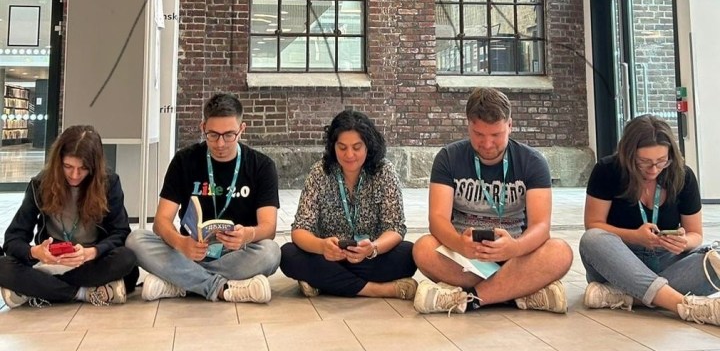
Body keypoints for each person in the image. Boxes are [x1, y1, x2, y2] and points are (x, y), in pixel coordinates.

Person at [412, 87, 573, 314]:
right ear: (468, 126)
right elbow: (437, 219)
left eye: (496, 135)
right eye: (479, 134)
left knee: (560, 252)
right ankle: (515, 292)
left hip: (516, 256)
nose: (487, 144)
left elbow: (541, 226)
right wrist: (460, 244)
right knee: (423, 248)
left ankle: (471, 299)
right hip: (466, 258)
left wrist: (515, 247)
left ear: (510, 125)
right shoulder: (448, 157)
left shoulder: (533, 161)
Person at [126, 93, 281, 303]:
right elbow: (161, 222)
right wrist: (181, 243)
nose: (220, 143)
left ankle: (180, 282)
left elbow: (269, 228)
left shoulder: (261, 166)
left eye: (229, 135)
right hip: (190, 251)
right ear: (203, 128)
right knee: (135, 240)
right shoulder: (184, 160)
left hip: (236, 254)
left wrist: (247, 235)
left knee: (271, 252)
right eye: (213, 135)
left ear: (242, 130)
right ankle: (220, 287)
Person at [580, 114, 720, 325]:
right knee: (592, 239)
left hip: (666, 259)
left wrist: (683, 242)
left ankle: (623, 296)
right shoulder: (607, 170)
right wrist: (635, 237)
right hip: (619, 262)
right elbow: (593, 224)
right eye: (643, 162)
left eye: (661, 161)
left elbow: (695, 234)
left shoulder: (682, 175)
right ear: (628, 155)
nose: (654, 169)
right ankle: (685, 306)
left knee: (716, 257)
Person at [280, 110, 417, 299]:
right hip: (329, 257)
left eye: (357, 147)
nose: (349, 154)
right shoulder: (320, 172)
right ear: (333, 146)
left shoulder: (384, 172)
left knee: (409, 254)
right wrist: (321, 246)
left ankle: (323, 282)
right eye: (342, 147)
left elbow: (395, 228)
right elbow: (300, 229)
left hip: (369, 257)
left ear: (368, 146)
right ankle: (378, 290)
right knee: (288, 255)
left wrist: (373, 248)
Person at [0, 125, 137, 309]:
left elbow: (120, 232)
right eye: (68, 167)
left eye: (83, 168)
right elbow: (13, 239)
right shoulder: (40, 184)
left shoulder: (109, 183)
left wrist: (92, 252)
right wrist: (35, 252)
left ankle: (40, 289)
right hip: (49, 262)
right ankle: (84, 293)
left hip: (89, 262)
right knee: (2, 265)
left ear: (94, 167)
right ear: (59, 162)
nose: (74, 175)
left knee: (126, 259)